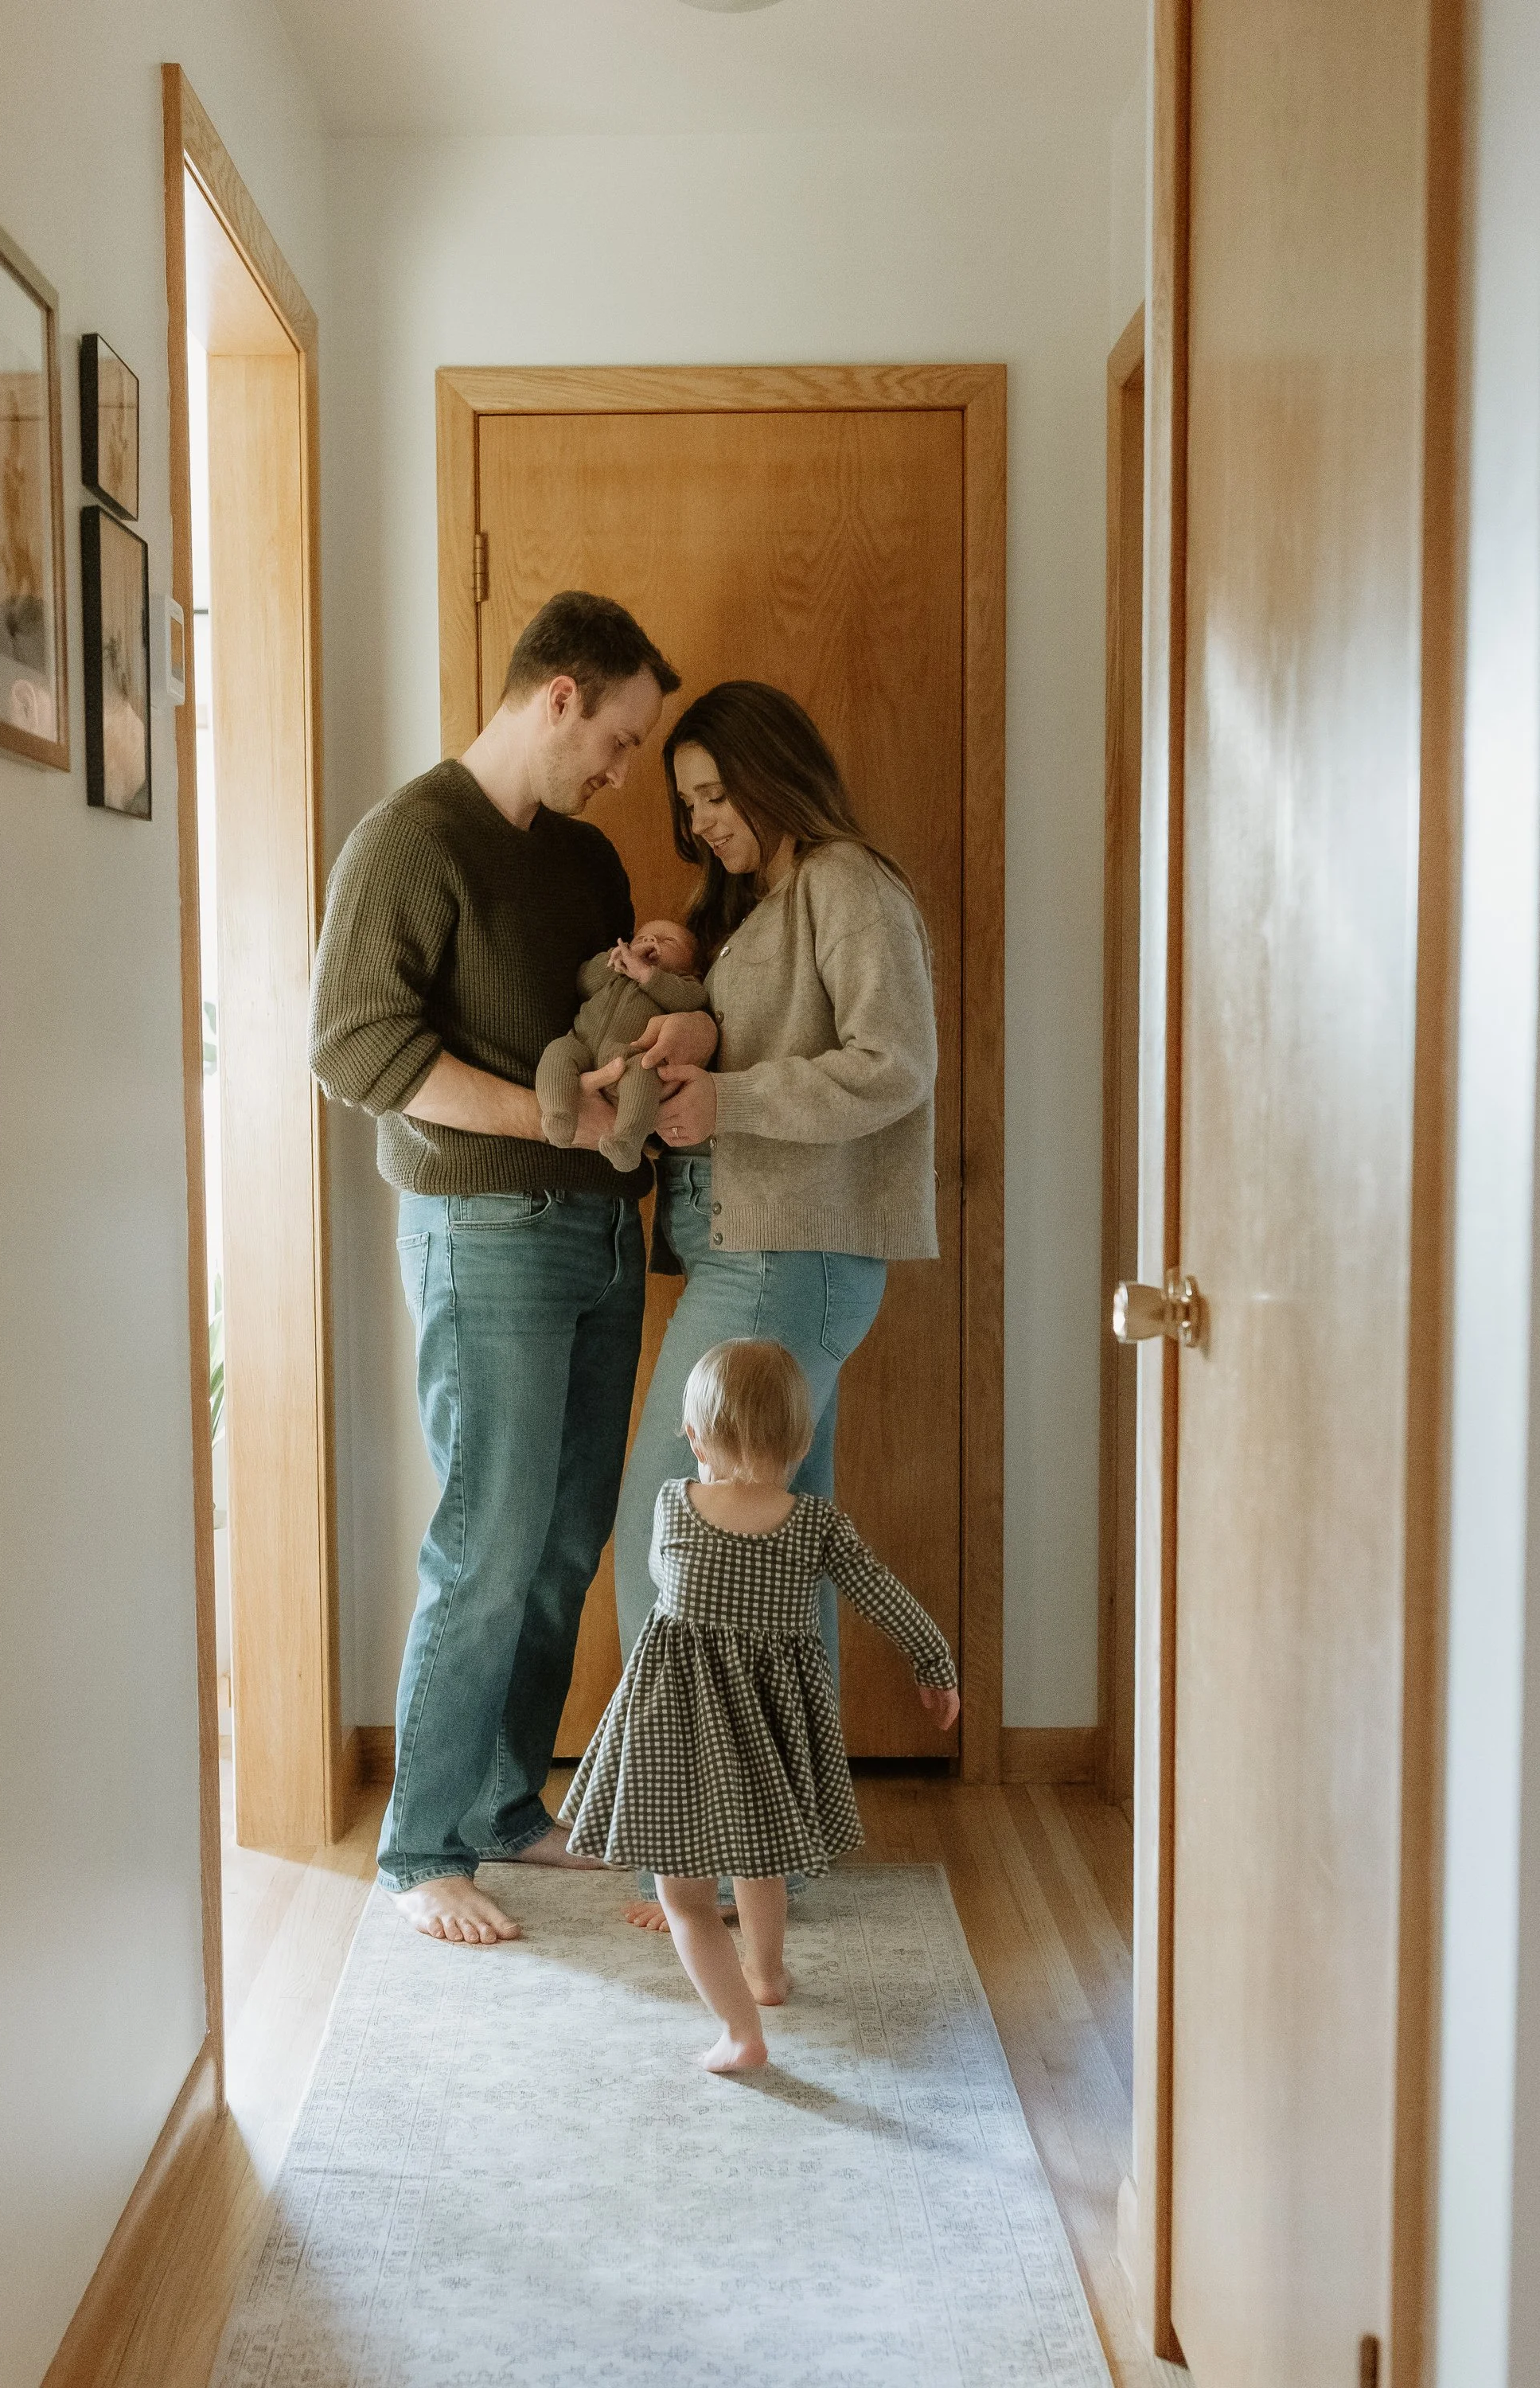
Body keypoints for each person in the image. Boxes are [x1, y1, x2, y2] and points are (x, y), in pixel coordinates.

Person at [310, 591, 682, 1946]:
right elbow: (353, 1047)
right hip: (485, 1233)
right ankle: (419, 1849)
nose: (624, 771)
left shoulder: (584, 861)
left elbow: (600, 1012)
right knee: (486, 1543)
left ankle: (505, 1804)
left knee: (566, 1540)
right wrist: (549, 1119)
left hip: (600, 1231)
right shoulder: (408, 840)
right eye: (621, 738)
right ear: (560, 695)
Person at [606, 681, 941, 1930]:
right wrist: (688, 1013)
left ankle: (688, 1852)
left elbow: (894, 1064)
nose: (701, 823)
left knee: (675, 1534)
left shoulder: (846, 885)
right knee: (770, 1564)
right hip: (764, 1257)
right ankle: (774, 1856)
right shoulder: (765, 904)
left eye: (713, 795)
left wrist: (729, 1099)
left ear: (770, 774)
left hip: (787, 1263)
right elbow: (767, 1040)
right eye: (687, 803)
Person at [559, 1339, 959, 2072]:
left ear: (693, 1436)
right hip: (774, 1725)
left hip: (681, 1723)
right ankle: (767, 1975)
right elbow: (885, 1595)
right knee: (761, 1854)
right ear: (803, 1442)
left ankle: (741, 2033)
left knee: (685, 1901)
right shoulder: (818, 1526)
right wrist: (934, 1663)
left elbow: (663, 1581)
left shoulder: (673, 1505)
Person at [536, 921, 708, 1172]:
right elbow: (584, 981)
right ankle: (559, 1114)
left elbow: (692, 1000)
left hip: (629, 1057)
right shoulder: (615, 969)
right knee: (557, 1051)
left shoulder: (683, 983)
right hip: (580, 1043)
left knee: (645, 1072)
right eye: (642, 937)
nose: (651, 941)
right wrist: (614, 961)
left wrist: (647, 975)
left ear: (694, 969)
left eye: (668, 940)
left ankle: (627, 1142)